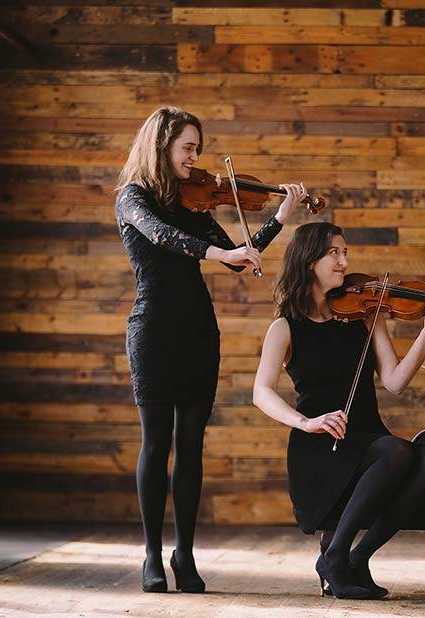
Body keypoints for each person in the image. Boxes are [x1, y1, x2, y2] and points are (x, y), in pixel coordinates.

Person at [116, 105, 305, 593]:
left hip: (199, 330)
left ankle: (185, 553)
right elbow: (163, 235)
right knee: (156, 442)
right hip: (153, 331)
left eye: (197, 149)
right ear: (161, 146)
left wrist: (279, 218)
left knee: (192, 445)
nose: (194, 158)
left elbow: (240, 259)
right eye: (187, 148)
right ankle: (151, 555)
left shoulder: (196, 201)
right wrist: (219, 252)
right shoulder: (133, 198)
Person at [253, 222, 425, 599]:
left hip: (368, 440)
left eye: (345, 253)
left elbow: (395, 381)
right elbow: (261, 392)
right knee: (396, 450)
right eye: (334, 253)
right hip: (321, 444)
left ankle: (354, 558)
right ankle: (335, 557)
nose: (345, 262)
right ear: (308, 260)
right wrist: (306, 422)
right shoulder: (284, 327)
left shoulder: (364, 316)